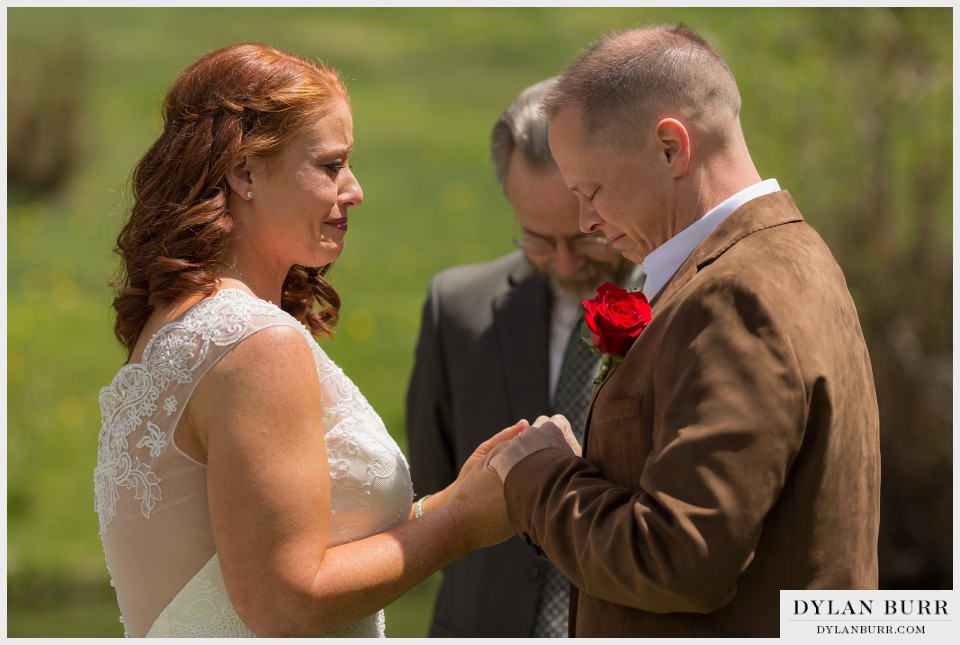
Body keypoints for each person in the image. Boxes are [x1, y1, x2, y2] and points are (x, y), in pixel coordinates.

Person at [93, 42, 520, 638]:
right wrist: (464, 527)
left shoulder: (180, 324)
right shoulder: (254, 343)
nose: (355, 190)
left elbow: (279, 548)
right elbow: (284, 602)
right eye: (330, 165)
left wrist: (460, 497)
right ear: (245, 171)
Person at [487, 23, 881, 638]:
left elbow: (678, 561)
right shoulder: (790, 251)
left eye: (592, 190)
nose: (588, 219)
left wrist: (538, 477)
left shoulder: (734, 295)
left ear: (671, 147)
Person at [406, 78, 638, 637]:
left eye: (584, 239)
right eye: (536, 239)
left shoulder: (680, 306)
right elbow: (432, 490)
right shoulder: (457, 310)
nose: (563, 265)